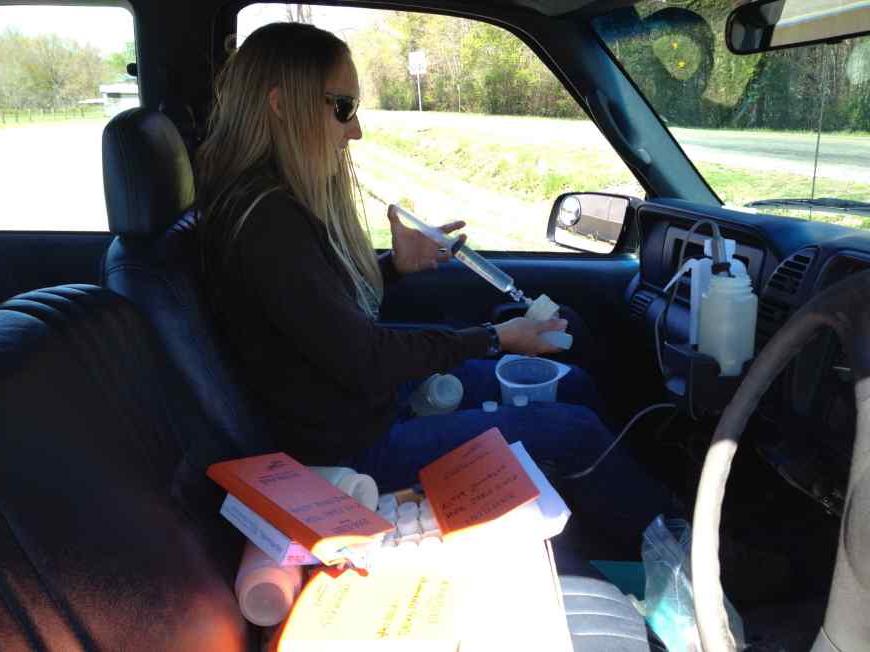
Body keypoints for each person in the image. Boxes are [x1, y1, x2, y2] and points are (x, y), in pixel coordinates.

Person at [195, 23, 675, 550]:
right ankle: (675, 553)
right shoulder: (266, 222)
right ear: (282, 105)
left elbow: (316, 313)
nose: (353, 131)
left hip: (363, 404)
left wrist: (395, 268)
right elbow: (362, 355)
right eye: (342, 107)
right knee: (577, 431)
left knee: (571, 384)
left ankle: (623, 530)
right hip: (355, 450)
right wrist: (494, 338)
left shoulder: (267, 207)